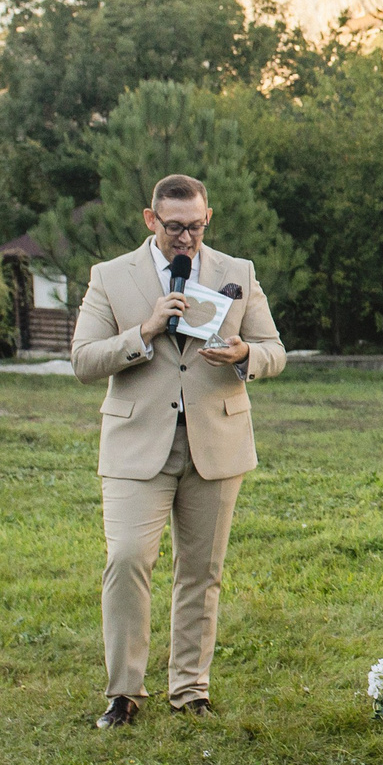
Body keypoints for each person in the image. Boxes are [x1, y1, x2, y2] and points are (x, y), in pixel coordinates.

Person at [70, 173, 284, 728]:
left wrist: (244, 355)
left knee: (201, 570)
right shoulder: (111, 276)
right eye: (173, 227)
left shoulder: (238, 273)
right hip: (137, 445)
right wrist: (142, 332)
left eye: (194, 226)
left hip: (216, 443)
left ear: (207, 218)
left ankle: (190, 688)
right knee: (126, 561)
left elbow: (274, 349)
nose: (185, 238)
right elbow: (84, 360)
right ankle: (124, 692)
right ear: (150, 220)